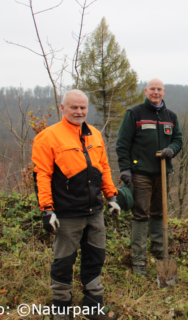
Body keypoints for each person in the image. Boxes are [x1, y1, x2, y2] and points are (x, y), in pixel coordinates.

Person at [32, 90, 120, 320]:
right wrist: (47, 210)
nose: (79, 111)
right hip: (67, 212)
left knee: (95, 257)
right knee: (64, 261)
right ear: (63, 108)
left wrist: (111, 196)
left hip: (95, 211)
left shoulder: (95, 135)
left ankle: (93, 306)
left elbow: (104, 167)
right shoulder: (48, 137)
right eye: (74, 107)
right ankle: (61, 310)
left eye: (83, 107)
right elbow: (42, 175)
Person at [116, 78, 183, 277]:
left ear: (164, 92)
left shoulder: (170, 116)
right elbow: (122, 143)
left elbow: (178, 139)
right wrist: (125, 169)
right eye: (152, 89)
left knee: (158, 212)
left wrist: (172, 149)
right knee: (140, 214)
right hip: (140, 173)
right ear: (146, 91)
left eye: (159, 89)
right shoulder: (134, 113)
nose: (155, 92)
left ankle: (159, 250)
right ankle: (138, 258)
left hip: (162, 173)